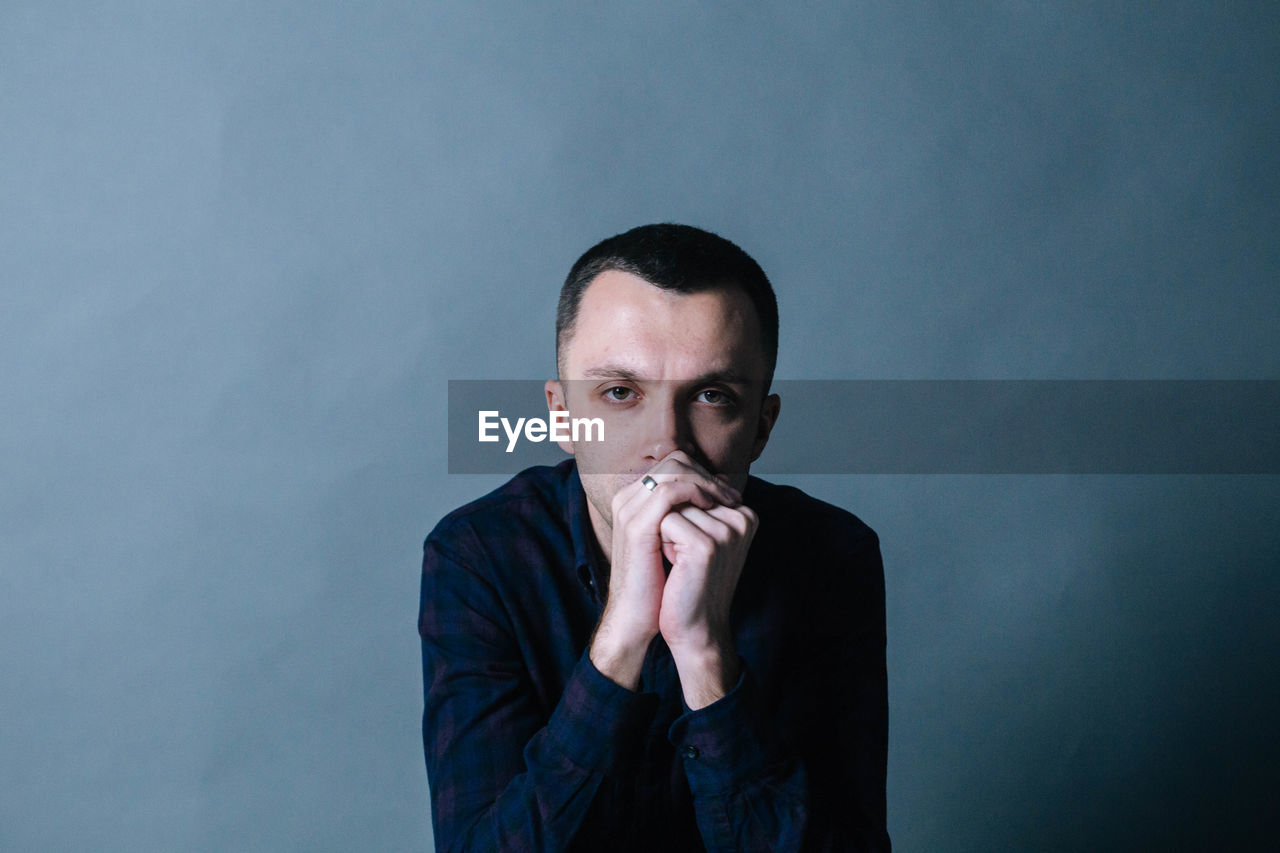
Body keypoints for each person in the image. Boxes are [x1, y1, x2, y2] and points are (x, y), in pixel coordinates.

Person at [418, 224, 890, 851]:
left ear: (760, 428)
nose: (667, 442)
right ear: (561, 416)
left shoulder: (833, 558)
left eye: (713, 396)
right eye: (619, 393)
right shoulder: (480, 556)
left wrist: (704, 655)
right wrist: (621, 638)